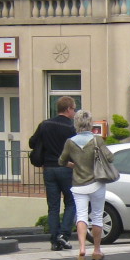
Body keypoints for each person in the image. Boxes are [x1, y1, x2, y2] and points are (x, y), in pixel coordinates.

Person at [59, 109, 115, 260]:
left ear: (76, 123)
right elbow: (110, 157)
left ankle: (82, 248)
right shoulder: (97, 140)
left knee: (81, 216)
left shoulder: (70, 142)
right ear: (90, 123)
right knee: (97, 216)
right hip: (96, 182)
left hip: (78, 184)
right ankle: (96, 250)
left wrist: (74, 165)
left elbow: (61, 161)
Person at [28, 95, 78, 250]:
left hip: (49, 169)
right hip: (66, 168)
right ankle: (64, 235)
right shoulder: (71, 127)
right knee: (71, 202)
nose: (74, 112)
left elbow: (32, 142)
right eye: (74, 109)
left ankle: (55, 240)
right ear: (68, 108)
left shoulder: (45, 124)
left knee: (53, 205)